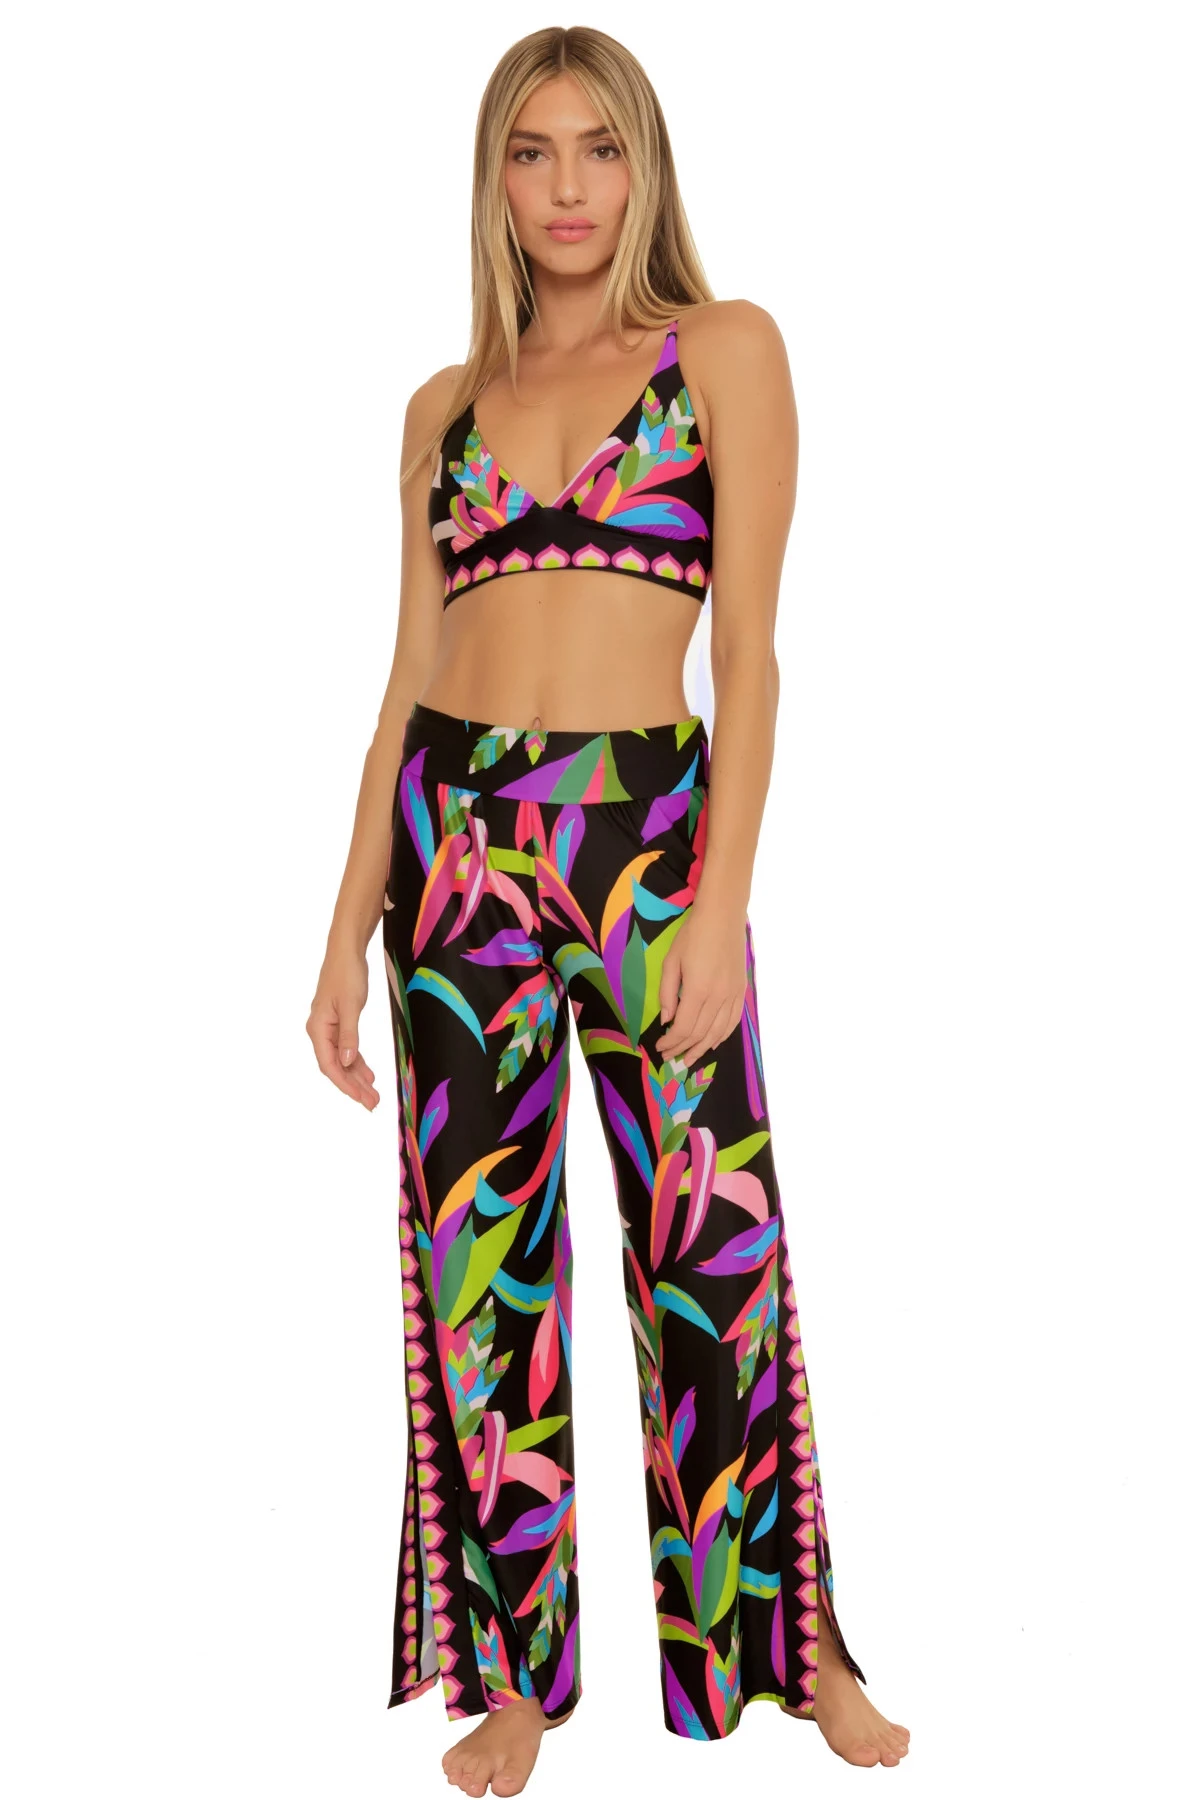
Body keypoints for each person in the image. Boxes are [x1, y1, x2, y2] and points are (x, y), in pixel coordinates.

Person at [306, 25, 910, 1798]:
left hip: (648, 837)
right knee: (475, 1273)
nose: (566, 188)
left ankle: (792, 1651)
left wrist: (721, 903)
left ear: (643, 169)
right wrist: (343, 926)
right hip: (452, 848)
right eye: (531, 152)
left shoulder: (722, 350)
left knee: (714, 1259)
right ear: (494, 182)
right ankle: (513, 1678)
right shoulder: (443, 407)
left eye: (598, 149)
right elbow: (404, 682)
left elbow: (752, 657)